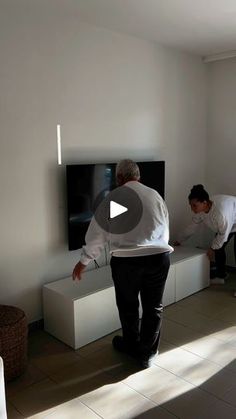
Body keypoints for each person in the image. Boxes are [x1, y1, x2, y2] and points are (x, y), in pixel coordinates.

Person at [73, 159, 173, 368]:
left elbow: (97, 235)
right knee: (153, 307)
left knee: (128, 306)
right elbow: (164, 227)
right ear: (138, 176)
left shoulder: (116, 198)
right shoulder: (154, 195)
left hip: (128, 263)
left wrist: (83, 262)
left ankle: (130, 344)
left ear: (119, 178)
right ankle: (147, 353)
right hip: (159, 258)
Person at [175, 184, 236, 295]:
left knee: (220, 246)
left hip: (231, 220)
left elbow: (223, 235)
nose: (192, 209)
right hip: (228, 224)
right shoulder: (201, 211)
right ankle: (221, 276)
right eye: (191, 205)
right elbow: (192, 227)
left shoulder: (220, 213)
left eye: (194, 206)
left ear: (204, 202)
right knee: (218, 247)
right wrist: (179, 239)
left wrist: (212, 249)